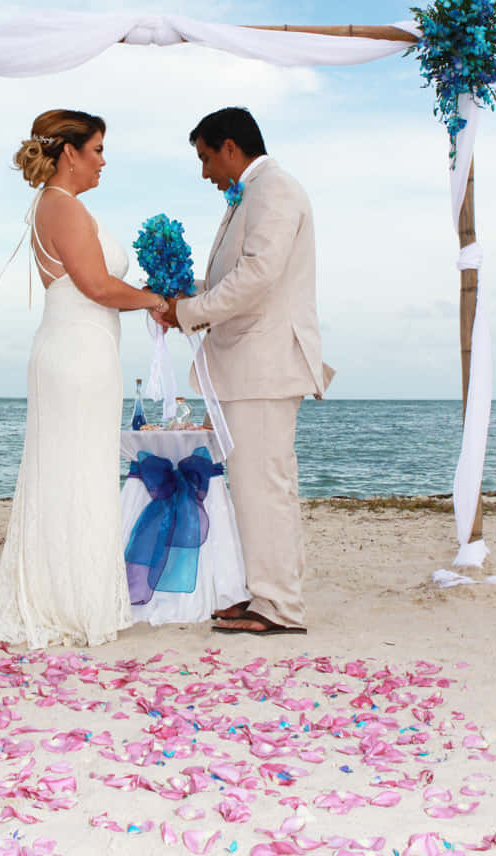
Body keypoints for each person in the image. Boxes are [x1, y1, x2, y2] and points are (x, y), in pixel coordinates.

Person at [0, 109, 168, 649]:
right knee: (74, 472)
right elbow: (95, 284)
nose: (103, 161)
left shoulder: (60, 206)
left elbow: (99, 284)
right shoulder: (61, 207)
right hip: (76, 355)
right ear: (70, 153)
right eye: (97, 150)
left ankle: (65, 593)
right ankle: (63, 602)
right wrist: (157, 299)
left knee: (76, 471)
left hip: (82, 351)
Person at [157, 107, 333, 636]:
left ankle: (280, 607)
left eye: (207, 158)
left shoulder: (274, 189)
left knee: (266, 486)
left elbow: (257, 276)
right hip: (248, 367)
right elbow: (241, 277)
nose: (206, 172)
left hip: (266, 366)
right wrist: (191, 300)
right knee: (253, 487)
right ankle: (264, 595)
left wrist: (188, 312)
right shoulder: (251, 195)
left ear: (231, 148)